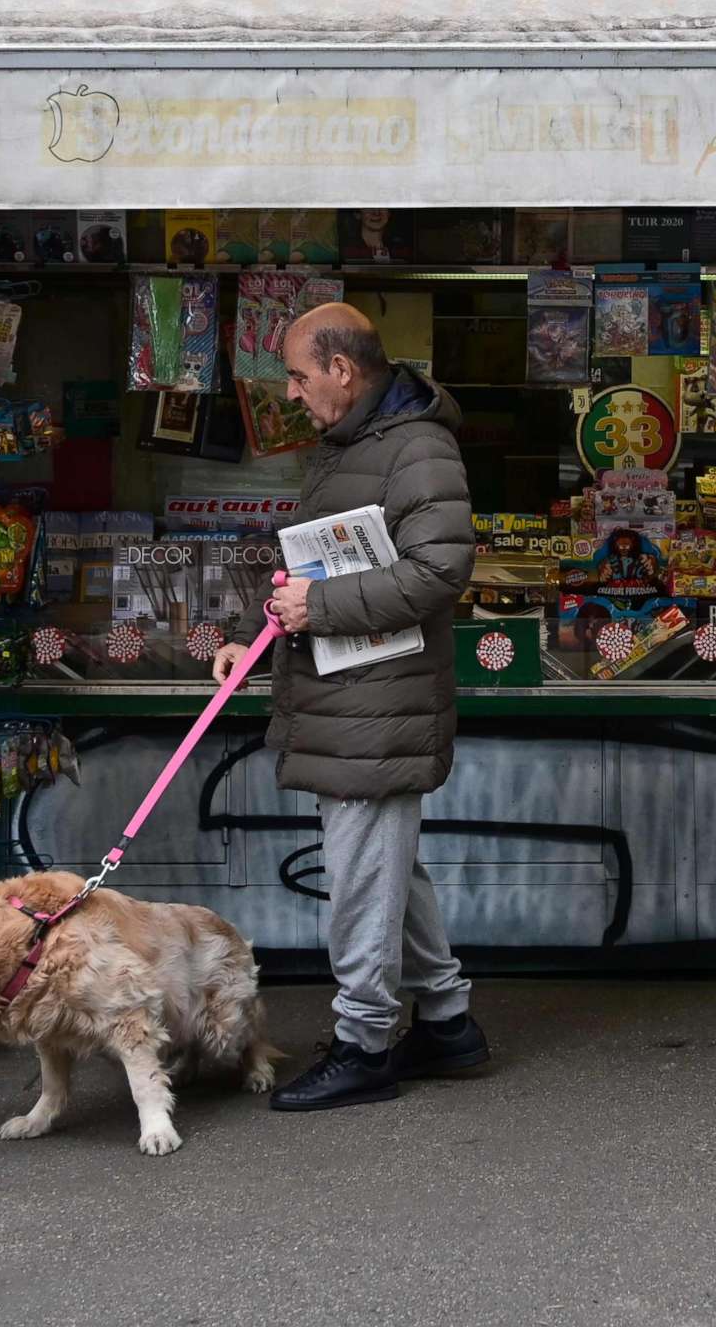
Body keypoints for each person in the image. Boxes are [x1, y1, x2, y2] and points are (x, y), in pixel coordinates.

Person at [212, 303, 484, 1112]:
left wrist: (319, 611)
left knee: (363, 872)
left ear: (342, 369)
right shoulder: (350, 449)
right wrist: (250, 633)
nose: (291, 394)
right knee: (385, 864)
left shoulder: (419, 448)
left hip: (377, 704)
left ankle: (366, 1042)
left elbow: (440, 572)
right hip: (352, 698)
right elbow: (311, 565)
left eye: (298, 376)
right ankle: (446, 1021)